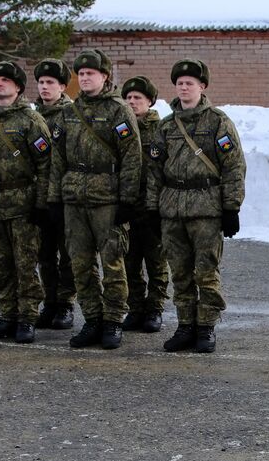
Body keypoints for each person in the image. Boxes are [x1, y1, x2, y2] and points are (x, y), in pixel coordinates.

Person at [145, 58, 246, 354]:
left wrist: (231, 208)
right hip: (172, 209)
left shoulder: (217, 121)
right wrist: (152, 208)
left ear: (202, 87)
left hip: (206, 208)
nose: (184, 87)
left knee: (206, 271)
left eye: (190, 83)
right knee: (180, 272)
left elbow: (234, 166)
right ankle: (185, 325)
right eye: (180, 83)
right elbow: (154, 170)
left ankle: (206, 327)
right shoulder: (166, 126)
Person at [46, 48, 142, 350]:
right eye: (82, 74)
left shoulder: (118, 111)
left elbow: (132, 157)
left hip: (107, 198)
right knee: (80, 264)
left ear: (105, 76)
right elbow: (57, 159)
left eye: (91, 73)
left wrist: (127, 199)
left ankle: (113, 321)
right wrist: (54, 199)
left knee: (113, 264)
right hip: (75, 197)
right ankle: (92, 319)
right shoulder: (68, 112)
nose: (85, 78)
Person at [0, 61, 53, 344]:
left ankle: (27, 318)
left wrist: (42, 204)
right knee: (0, 265)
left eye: (6, 80)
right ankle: (7, 316)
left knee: (25, 264)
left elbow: (45, 166)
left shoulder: (31, 121)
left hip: (23, 204)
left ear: (18, 87)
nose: (0, 84)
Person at [120, 75, 170, 333]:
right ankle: (135, 308)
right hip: (128, 204)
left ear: (149, 101)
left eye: (138, 98)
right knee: (129, 260)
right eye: (128, 98)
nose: (132, 102)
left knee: (156, 262)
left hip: (152, 205)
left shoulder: (160, 129)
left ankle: (155, 309)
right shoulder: (122, 128)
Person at [32, 58, 76, 330]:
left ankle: (65, 304)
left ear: (62, 86)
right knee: (44, 254)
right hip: (39, 196)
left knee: (67, 253)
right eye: (41, 82)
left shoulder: (71, 114)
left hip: (64, 195)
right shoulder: (31, 115)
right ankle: (49, 302)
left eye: (50, 83)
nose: (45, 87)